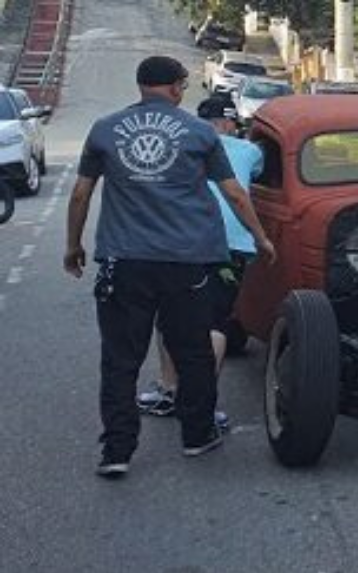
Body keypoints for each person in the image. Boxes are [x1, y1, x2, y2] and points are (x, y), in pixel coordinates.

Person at [64, 56, 275, 479]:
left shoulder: (105, 130)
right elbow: (233, 193)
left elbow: (81, 194)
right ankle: (197, 435)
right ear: (178, 87)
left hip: (124, 261)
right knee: (193, 352)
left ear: (141, 85)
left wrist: (73, 246)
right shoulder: (198, 133)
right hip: (187, 262)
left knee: (121, 359)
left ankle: (117, 451)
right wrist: (260, 237)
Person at [136, 95, 264, 428]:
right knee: (214, 323)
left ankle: (168, 389)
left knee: (168, 316)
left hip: (181, 240)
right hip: (230, 246)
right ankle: (201, 405)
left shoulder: (181, 144)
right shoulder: (250, 151)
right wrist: (261, 238)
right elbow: (254, 182)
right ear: (231, 122)